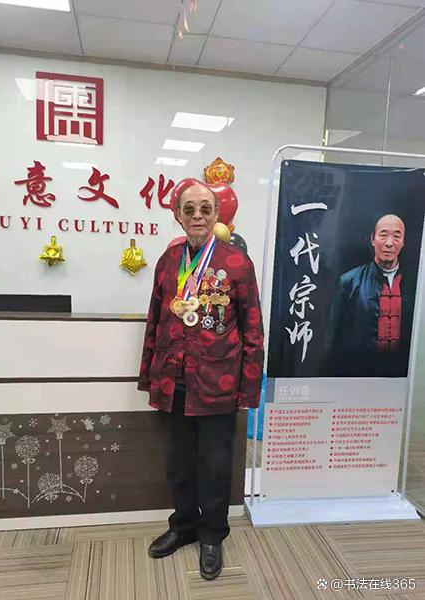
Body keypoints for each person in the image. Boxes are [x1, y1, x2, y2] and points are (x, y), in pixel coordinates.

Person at [138, 177, 264, 580]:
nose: (197, 216)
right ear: (177, 215)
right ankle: (183, 526)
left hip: (217, 382)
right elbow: (155, 319)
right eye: (189, 209)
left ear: (217, 215)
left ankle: (212, 534)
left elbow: (253, 330)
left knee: (214, 465)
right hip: (173, 379)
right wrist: (149, 374)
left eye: (205, 209)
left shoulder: (237, 263)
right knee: (178, 463)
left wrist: (249, 388)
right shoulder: (168, 261)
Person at [325, 214, 414, 377]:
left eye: (396, 236)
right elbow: (333, 337)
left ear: (403, 242)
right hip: (359, 373)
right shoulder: (350, 281)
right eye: (383, 235)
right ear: (373, 239)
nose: (389, 243)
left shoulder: (414, 285)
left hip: (400, 375)